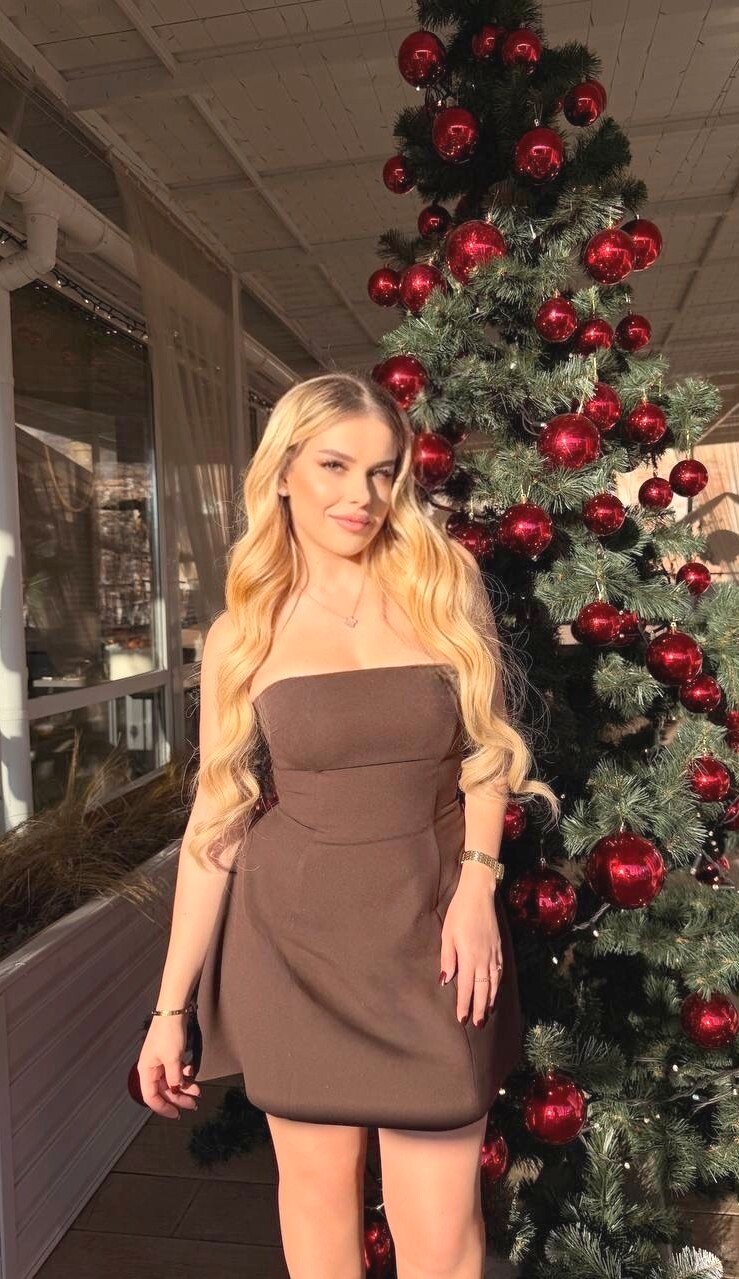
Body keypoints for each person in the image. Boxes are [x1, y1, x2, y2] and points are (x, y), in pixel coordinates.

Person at [136, 372, 560, 1278]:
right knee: (318, 1208)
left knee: (442, 1234)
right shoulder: (243, 633)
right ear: (284, 471)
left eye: (381, 470)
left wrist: (477, 884)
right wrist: (170, 1009)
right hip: (292, 950)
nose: (360, 495)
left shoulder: (444, 582)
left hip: (434, 936)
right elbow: (216, 825)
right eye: (334, 465)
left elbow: (487, 752)